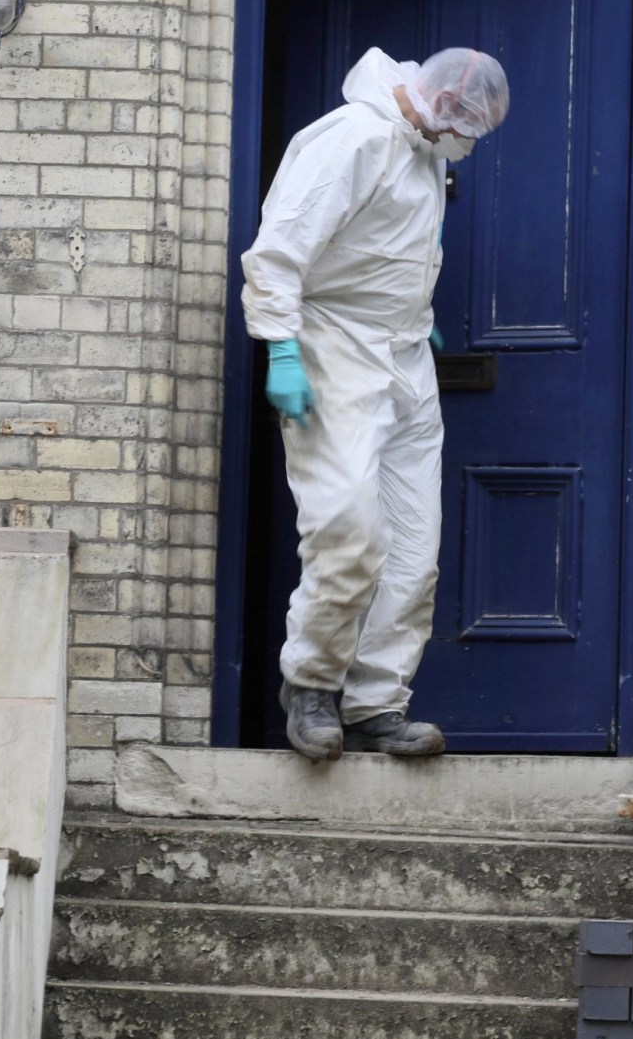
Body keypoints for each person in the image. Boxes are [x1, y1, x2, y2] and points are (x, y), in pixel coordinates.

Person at [241, 46, 511, 762]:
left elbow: (395, 245)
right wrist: (282, 348)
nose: (468, 146)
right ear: (446, 109)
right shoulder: (351, 138)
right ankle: (311, 684)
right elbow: (278, 252)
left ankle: (375, 703)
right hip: (334, 350)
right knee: (350, 525)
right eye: (471, 131)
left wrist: (414, 307)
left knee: (415, 551)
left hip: (406, 357)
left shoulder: (424, 148)